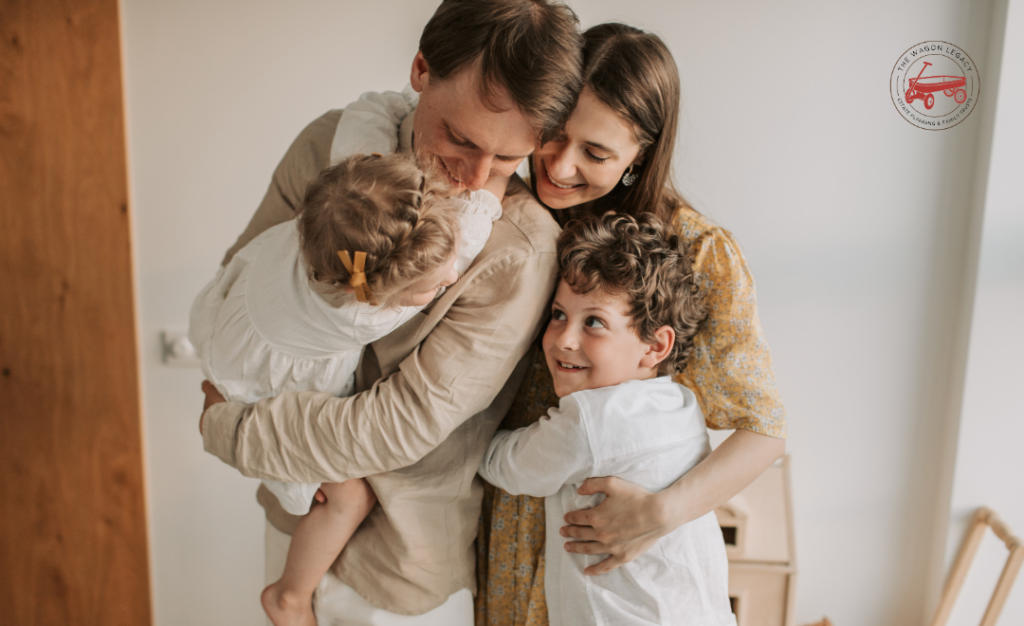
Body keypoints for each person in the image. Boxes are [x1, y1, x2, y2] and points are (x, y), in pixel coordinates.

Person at [198, 1, 583, 624]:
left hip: (401, 572)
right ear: (421, 69)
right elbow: (245, 278)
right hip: (292, 512)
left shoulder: (520, 249)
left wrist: (230, 429)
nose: (473, 177)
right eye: (459, 138)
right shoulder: (330, 143)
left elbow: (403, 423)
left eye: (509, 160)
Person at [475, 23, 787, 626]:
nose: (560, 166)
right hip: (511, 530)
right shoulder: (507, 214)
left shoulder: (699, 254)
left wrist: (659, 514)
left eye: (594, 152)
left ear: (639, 154)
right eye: (554, 136)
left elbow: (764, 432)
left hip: (618, 551)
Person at [190, 151, 505, 626]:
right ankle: (290, 596)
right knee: (348, 496)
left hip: (228, 329)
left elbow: (366, 121)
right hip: (253, 383)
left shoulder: (338, 210)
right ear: (377, 293)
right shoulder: (360, 311)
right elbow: (478, 218)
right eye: (431, 288)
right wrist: (500, 168)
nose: (453, 278)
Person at [479, 212, 736, 626]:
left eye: (593, 322)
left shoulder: (591, 419)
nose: (564, 338)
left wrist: (466, 428)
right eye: (559, 314)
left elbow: (508, 467)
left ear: (655, 345)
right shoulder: (683, 405)